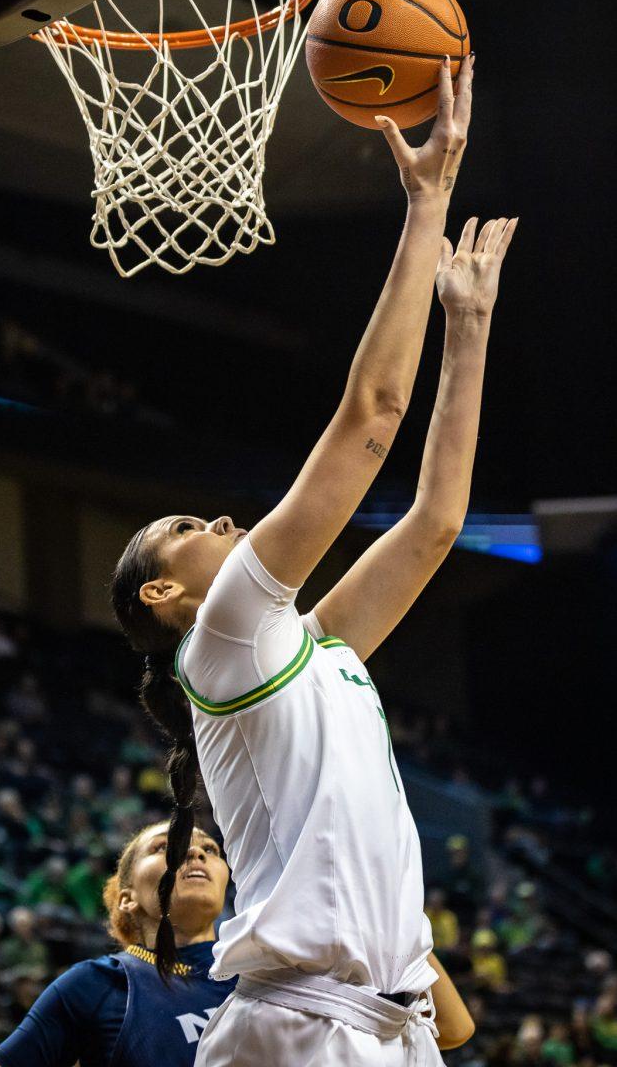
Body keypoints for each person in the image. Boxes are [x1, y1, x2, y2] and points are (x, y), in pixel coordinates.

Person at [111, 54, 516, 1065]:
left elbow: (432, 525)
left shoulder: (309, 646)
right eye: (189, 528)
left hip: (391, 1027)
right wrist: (427, 203)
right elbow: (370, 420)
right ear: (166, 592)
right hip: (304, 1026)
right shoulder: (225, 640)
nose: (219, 519)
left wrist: (467, 331)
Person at [0, 822, 234, 1067]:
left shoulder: (264, 968)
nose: (194, 852)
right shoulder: (96, 986)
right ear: (127, 899)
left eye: (210, 848)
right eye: (165, 847)